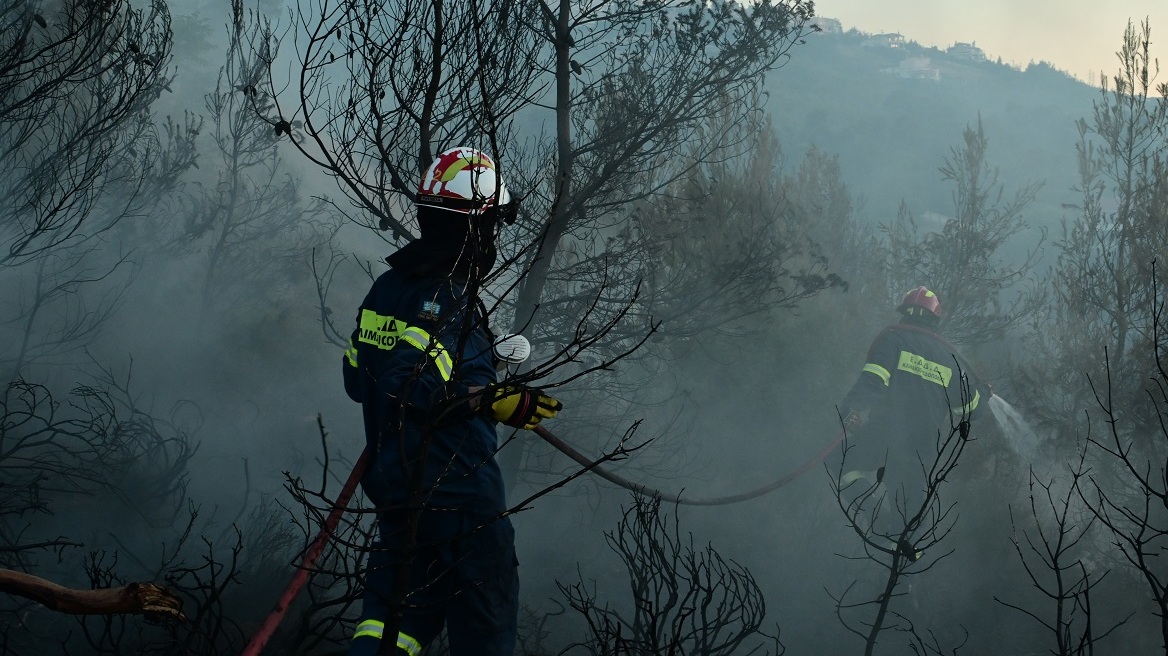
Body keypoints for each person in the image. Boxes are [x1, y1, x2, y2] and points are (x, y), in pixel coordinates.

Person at [342, 146, 563, 656]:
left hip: (397, 491)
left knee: (388, 629)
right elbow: (405, 383)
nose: (494, 239)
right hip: (460, 495)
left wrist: (476, 369)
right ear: (475, 228)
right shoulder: (447, 297)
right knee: (484, 633)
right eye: (493, 225)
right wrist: (492, 400)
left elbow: (360, 380)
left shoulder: (387, 288)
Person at [837, 286, 992, 509]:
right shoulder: (949, 357)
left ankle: (873, 516)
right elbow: (972, 410)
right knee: (907, 522)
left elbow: (872, 381)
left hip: (883, 435)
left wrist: (850, 408)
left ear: (904, 313)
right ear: (935, 320)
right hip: (921, 450)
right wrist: (983, 393)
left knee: (841, 462)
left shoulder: (892, 341)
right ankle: (894, 538)